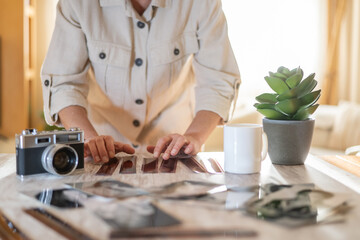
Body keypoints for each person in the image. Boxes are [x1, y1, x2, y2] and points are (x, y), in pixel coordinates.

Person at [41, 0, 240, 163]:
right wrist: (89, 138)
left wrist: (194, 137)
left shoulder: (203, 3)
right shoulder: (77, 4)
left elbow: (218, 82)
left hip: (177, 151)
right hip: (101, 153)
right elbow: (63, 83)